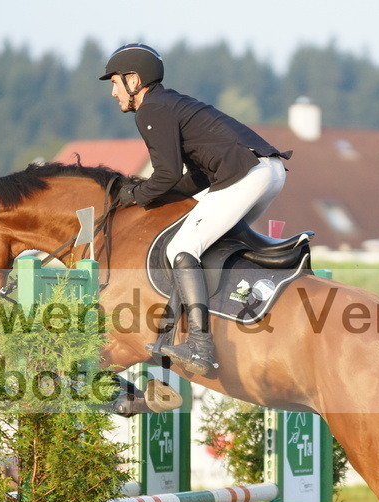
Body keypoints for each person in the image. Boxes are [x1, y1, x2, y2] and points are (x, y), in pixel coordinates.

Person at [101, 43, 290, 376]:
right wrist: (154, 195)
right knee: (209, 245)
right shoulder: (171, 103)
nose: (113, 92)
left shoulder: (151, 110)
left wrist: (133, 197)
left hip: (246, 174)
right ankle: (181, 330)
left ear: (133, 80)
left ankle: (201, 346)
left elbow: (166, 175)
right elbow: (195, 177)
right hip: (267, 171)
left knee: (182, 247)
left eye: (115, 83)